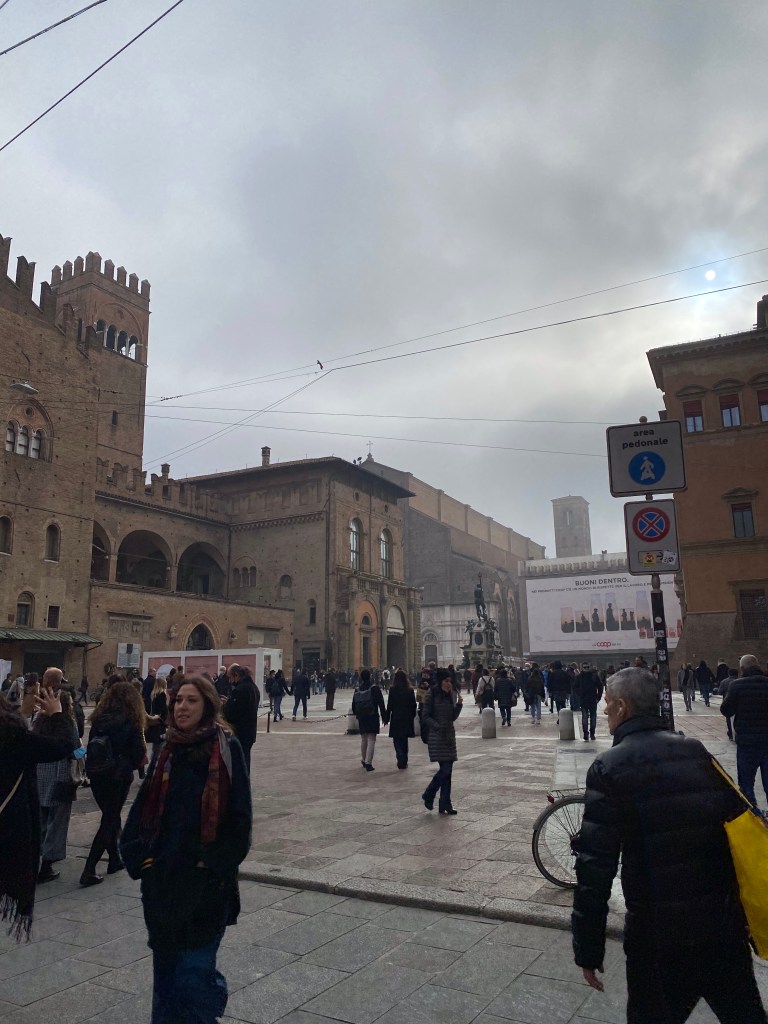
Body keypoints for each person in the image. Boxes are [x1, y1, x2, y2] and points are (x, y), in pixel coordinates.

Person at [572, 667, 766, 1023]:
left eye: (607, 703)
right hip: (721, 929)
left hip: (658, 938)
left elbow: (595, 868)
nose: (604, 710)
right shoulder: (695, 750)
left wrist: (588, 949)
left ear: (622, 706)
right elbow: (737, 828)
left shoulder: (608, 767)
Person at [120, 675, 252, 1024]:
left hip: (205, 887)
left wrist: (211, 864)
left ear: (208, 705)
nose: (182, 707)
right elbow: (140, 811)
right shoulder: (166, 748)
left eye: (191, 700)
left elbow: (240, 819)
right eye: (178, 700)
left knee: (194, 977)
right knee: (165, 982)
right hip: (163, 886)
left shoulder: (226, 748)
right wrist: (141, 861)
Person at [0, 688, 77, 939]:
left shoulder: (19, 735)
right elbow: (63, 746)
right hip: (11, 828)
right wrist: (58, 714)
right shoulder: (14, 737)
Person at [81, 681, 146, 886]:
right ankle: (89, 869)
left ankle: (114, 859)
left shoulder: (99, 718)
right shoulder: (132, 719)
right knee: (109, 819)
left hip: (97, 773)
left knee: (110, 816)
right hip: (118, 775)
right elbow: (138, 752)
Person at [34, 689, 81, 883]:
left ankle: (36, 858)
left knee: (41, 820)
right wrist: (84, 757)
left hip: (39, 775)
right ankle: (47, 863)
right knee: (58, 822)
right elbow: (76, 748)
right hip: (60, 776)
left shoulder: (38, 720)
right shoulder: (68, 723)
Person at [721, 654, 768, 809]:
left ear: (742, 668)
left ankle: (753, 814)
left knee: (746, 782)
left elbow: (726, 710)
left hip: (747, 742)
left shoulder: (737, 685)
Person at [421, 669, 463, 814]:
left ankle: (445, 803)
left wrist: (459, 705)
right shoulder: (431, 694)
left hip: (449, 737)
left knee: (448, 772)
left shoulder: (450, 695)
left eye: (450, 681)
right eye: (446, 681)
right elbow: (425, 716)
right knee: (445, 770)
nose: (449, 684)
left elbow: (452, 717)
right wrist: (437, 727)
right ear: (440, 682)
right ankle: (429, 794)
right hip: (437, 737)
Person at [222, 665, 260, 775]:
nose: (230, 681)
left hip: (240, 732)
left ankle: (242, 782)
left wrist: (226, 706)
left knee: (240, 763)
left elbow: (233, 713)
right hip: (250, 731)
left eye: (230, 677)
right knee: (245, 760)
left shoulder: (240, 690)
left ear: (236, 675)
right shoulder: (253, 687)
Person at [352, 669, 387, 771]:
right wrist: (384, 717)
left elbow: (354, 705)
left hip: (362, 717)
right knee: (371, 739)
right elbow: (381, 704)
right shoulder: (375, 688)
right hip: (372, 716)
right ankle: (368, 762)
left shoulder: (357, 689)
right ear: (370, 676)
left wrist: (358, 714)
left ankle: (363, 760)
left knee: (364, 739)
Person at [386, 669, 417, 768]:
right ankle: (404, 759)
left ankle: (399, 756)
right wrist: (412, 716)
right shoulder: (410, 690)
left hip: (396, 717)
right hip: (406, 717)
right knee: (404, 740)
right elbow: (413, 705)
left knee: (396, 739)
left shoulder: (392, 690)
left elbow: (390, 705)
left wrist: (386, 717)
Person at [573, 662, 603, 741]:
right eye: (585, 667)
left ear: (589, 667)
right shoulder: (579, 677)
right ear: (582, 668)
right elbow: (575, 687)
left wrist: (598, 697)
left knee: (593, 717)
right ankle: (586, 733)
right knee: (585, 717)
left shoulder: (594, 676)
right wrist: (579, 694)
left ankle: (592, 733)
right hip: (584, 700)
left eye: (587, 667)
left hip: (592, 699)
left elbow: (600, 686)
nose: (586, 669)